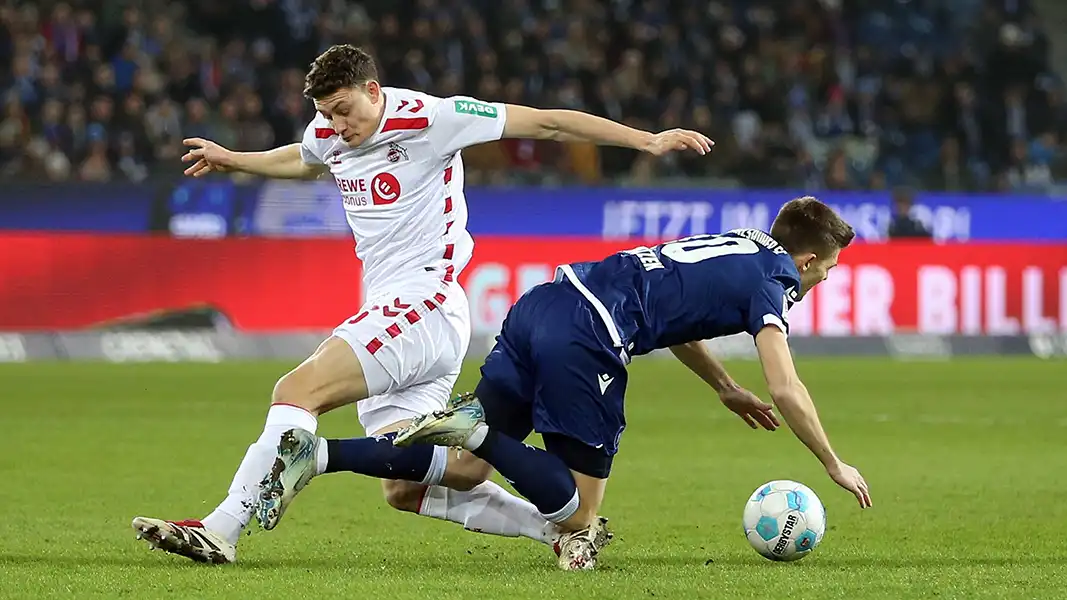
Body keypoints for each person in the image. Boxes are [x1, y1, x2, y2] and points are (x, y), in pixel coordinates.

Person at [131, 44, 713, 564]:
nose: (336, 125)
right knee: (407, 486)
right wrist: (237, 159)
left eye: (343, 110)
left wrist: (646, 140)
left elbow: (548, 124)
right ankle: (561, 531)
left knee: (295, 391)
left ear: (373, 91)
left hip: (423, 303)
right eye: (325, 114)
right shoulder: (330, 132)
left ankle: (221, 528)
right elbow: (302, 157)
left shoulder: (433, 118)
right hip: (401, 312)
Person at [391, 197, 874, 570]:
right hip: (591, 331)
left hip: (549, 301)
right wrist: (833, 463)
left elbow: (673, 319)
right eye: (827, 270)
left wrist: (724, 385)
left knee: (466, 471)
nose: (824, 281)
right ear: (807, 261)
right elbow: (785, 386)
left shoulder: (744, 243)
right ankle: (483, 441)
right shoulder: (777, 280)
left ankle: (346, 449)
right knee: (579, 514)